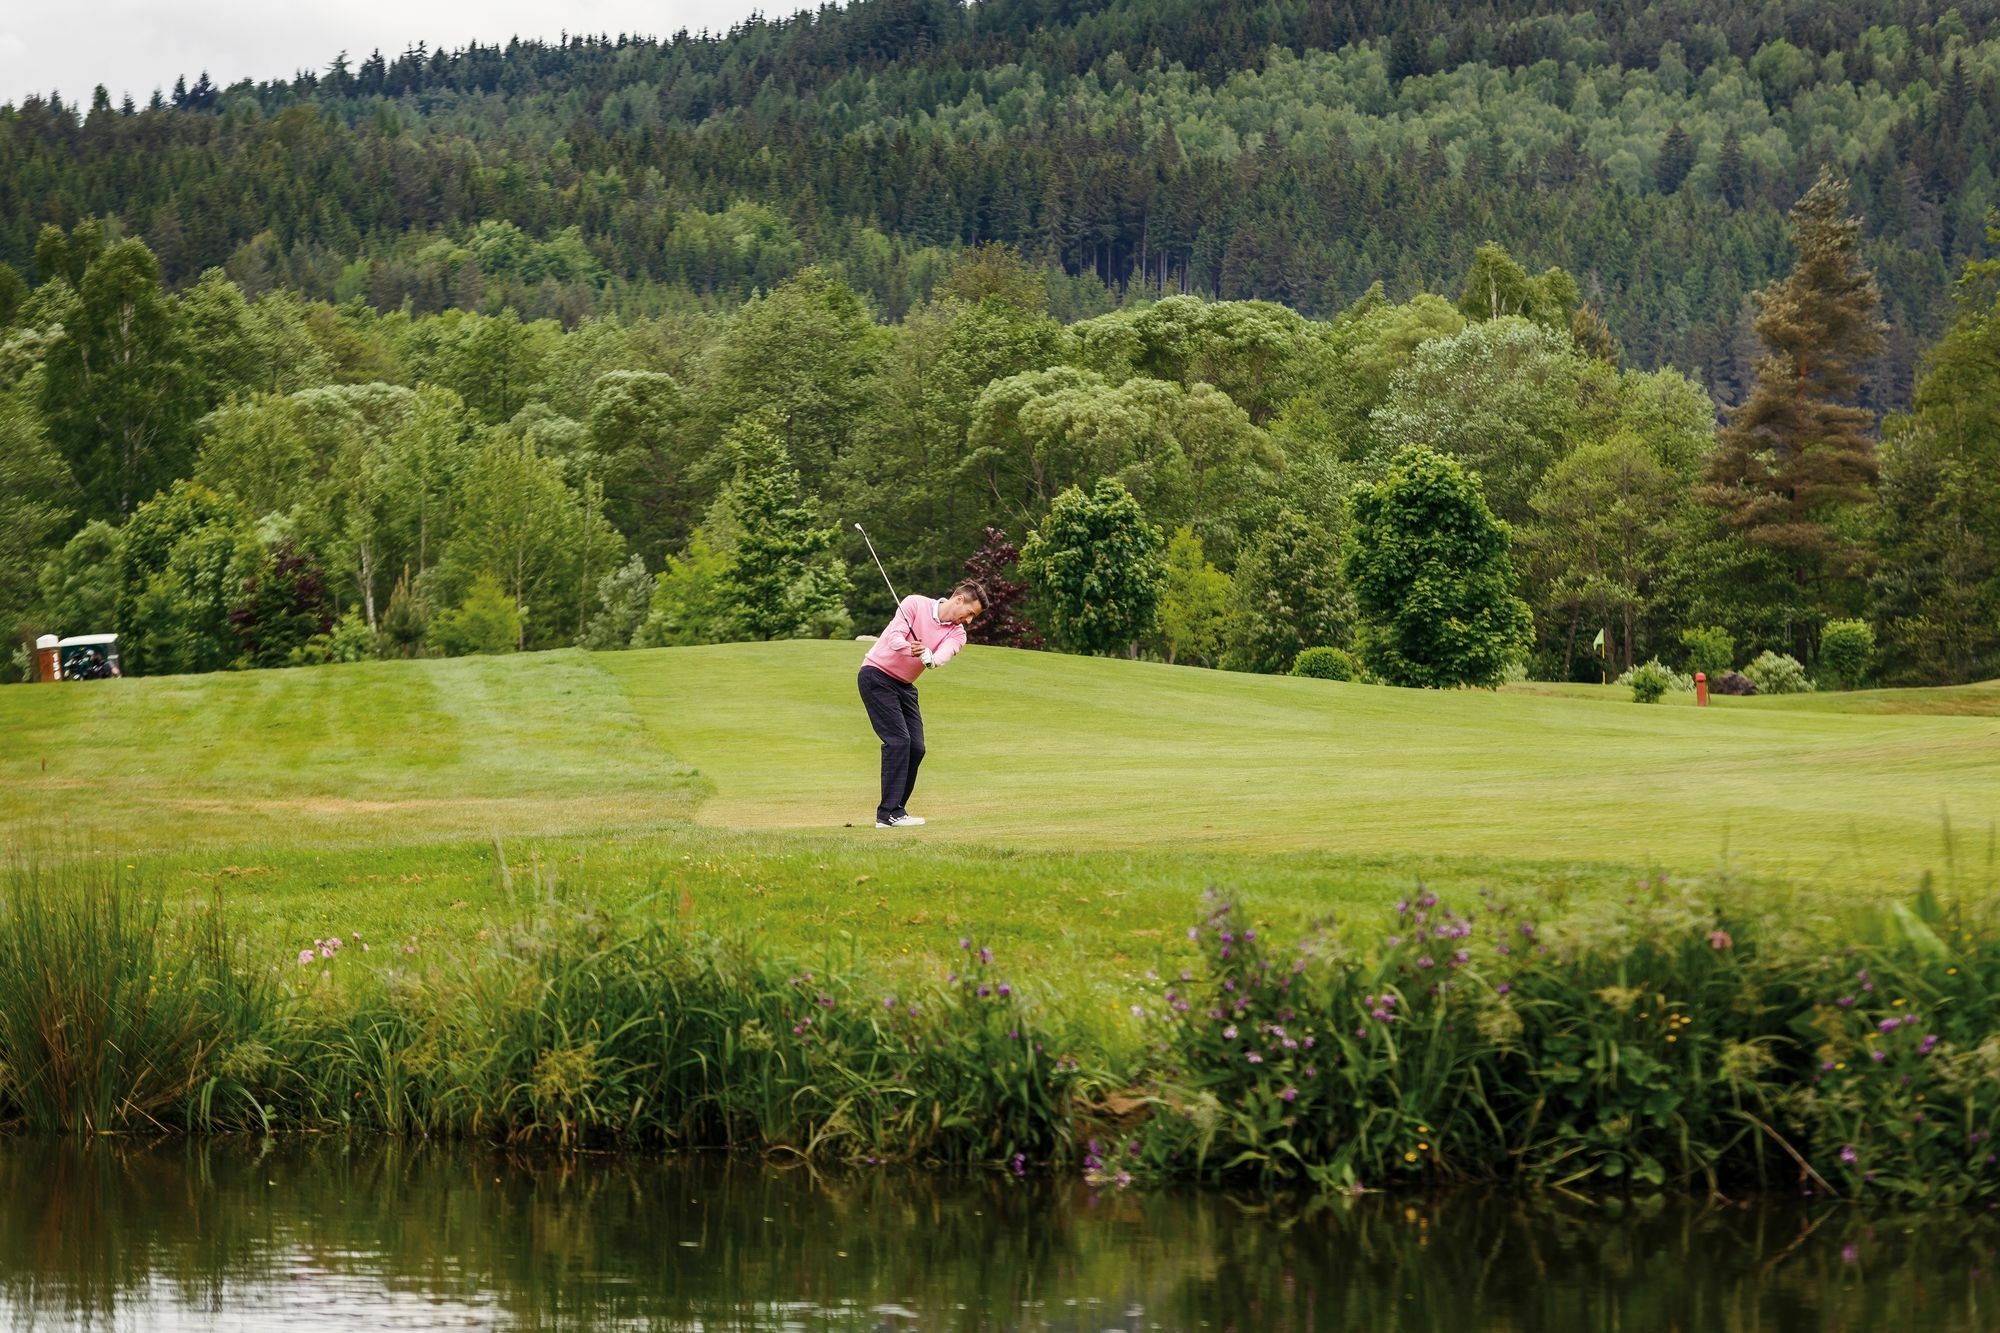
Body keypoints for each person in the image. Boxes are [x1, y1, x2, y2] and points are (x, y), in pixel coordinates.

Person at [858, 581, 987, 828]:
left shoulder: (958, 634)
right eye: (970, 613)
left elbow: (942, 656)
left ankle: (897, 811)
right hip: (876, 675)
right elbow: (893, 638)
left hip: (905, 686)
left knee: (916, 747)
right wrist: (912, 649)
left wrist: (930, 658)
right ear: (959, 599)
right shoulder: (914, 603)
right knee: (898, 741)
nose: (969, 621)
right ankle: (886, 814)